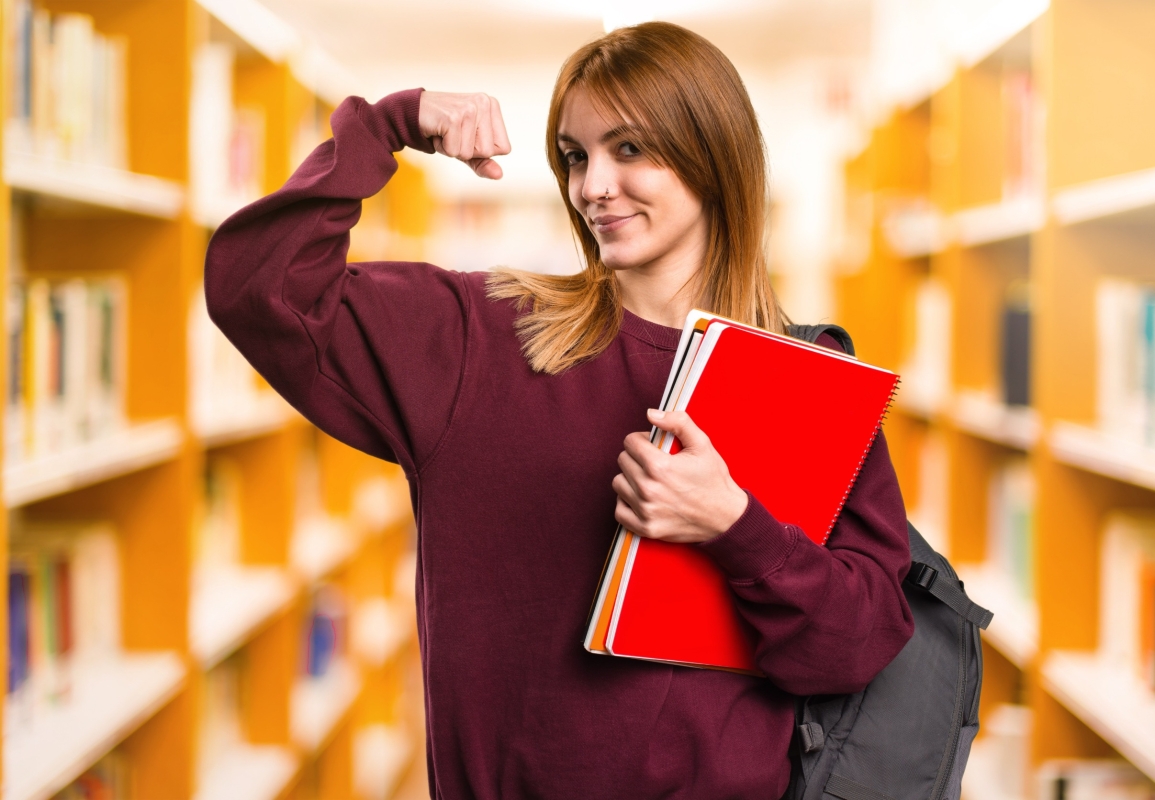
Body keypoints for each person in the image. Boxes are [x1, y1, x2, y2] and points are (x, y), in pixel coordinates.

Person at [206, 21, 913, 800]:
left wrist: (735, 528)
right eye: (575, 156)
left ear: (713, 155)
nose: (592, 186)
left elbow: (858, 645)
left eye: (630, 149)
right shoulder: (483, 334)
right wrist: (389, 124)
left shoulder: (803, 383)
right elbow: (257, 287)